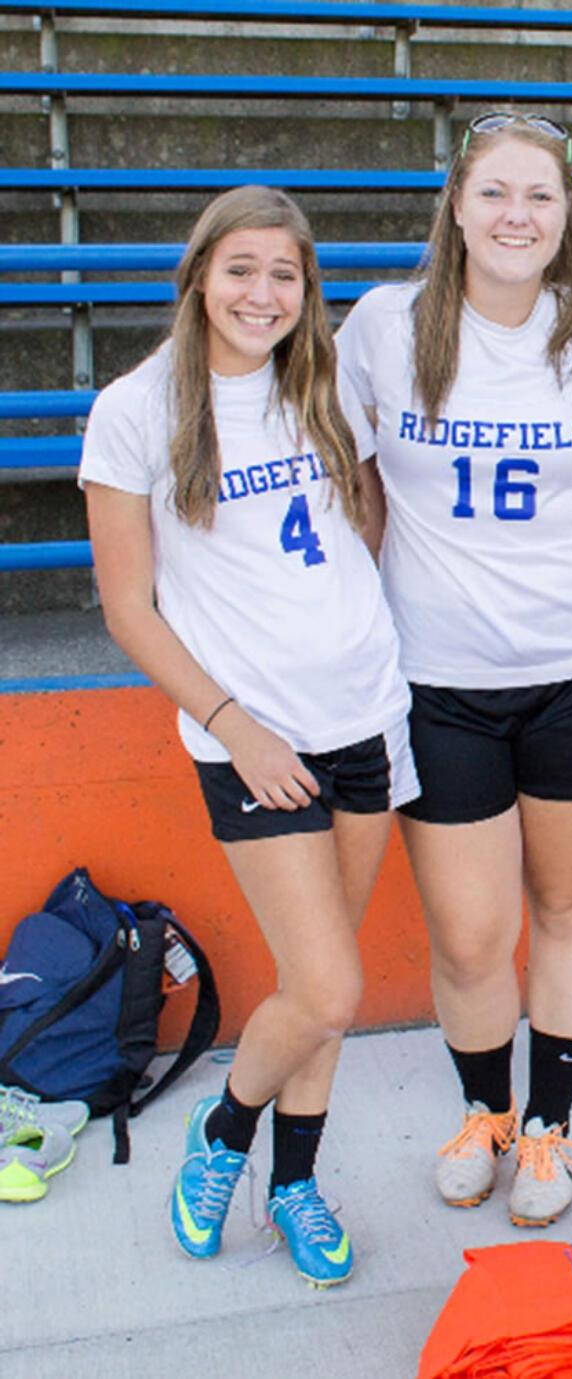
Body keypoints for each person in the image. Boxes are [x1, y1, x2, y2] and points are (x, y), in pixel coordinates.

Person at [80, 186, 417, 1287]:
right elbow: (130, 605)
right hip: (252, 742)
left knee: (327, 979)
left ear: (304, 290)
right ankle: (224, 1137)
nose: (261, 292)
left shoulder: (320, 386)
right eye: (241, 269)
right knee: (324, 989)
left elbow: (361, 519)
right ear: (198, 277)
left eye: (284, 274)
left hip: (364, 714)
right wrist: (239, 722)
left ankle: (293, 1182)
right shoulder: (137, 408)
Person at [335, 112, 572, 1227]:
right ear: (458, 208)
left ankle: (548, 1131)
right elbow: (347, 484)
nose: (516, 214)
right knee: (471, 932)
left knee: (569, 907)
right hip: (438, 678)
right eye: (494, 194)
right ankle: (483, 1107)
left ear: (566, 213)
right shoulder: (386, 325)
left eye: (539, 195)